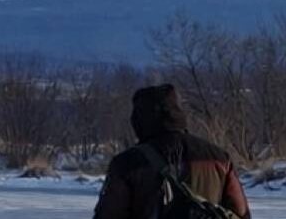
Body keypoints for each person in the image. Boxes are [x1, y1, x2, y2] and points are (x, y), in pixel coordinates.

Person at [93, 84, 250, 219]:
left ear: (139, 120)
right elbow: (241, 214)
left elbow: (109, 215)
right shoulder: (219, 158)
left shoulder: (126, 163)